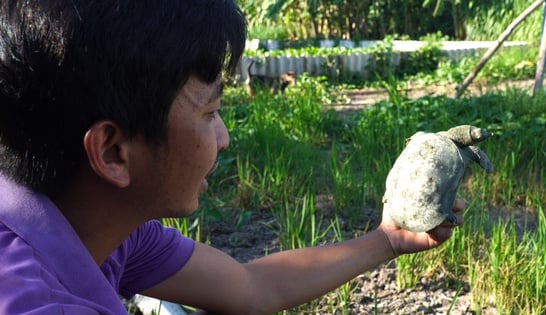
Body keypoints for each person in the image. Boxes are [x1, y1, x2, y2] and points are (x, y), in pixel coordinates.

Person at [0, 0, 465, 314]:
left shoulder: (104, 229)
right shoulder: (34, 301)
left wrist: (387, 240)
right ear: (113, 152)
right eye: (211, 112)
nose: (222, 138)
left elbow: (249, 287)